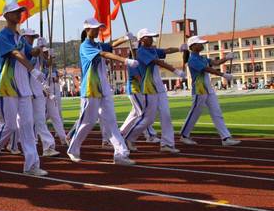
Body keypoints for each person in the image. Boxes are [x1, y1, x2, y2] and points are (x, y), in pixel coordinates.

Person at [0, 2, 47, 176]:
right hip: (7, 86)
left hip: (23, 87)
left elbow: (28, 52)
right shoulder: (1, 35)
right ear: (6, 16)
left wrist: (38, 48)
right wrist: (32, 70)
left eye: (20, 12)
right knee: (9, 126)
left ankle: (32, 165)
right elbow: (15, 54)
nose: (19, 15)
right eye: (15, 12)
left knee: (27, 125)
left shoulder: (20, 37)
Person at [66, 18, 136, 166]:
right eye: (95, 28)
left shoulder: (98, 44)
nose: (98, 30)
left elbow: (110, 46)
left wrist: (124, 38)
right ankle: (73, 149)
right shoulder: (85, 46)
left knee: (111, 121)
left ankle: (121, 154)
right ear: (87, 30)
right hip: (90, 88)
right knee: (88, 122)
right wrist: (125, 61)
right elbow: (104, 54)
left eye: (99, 28)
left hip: (103, 88)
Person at [122, 28, 187, 153]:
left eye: (152, 37)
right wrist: (176, 71)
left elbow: (166, 51)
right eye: (149, 37)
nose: (152, 39)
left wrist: (179, 48)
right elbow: (157, 62)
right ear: (141, 40)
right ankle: (129, 137)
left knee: (166, 115)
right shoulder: (140, 52)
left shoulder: (153, 50)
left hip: (160, 88)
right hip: (149, 88)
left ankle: (167, 144)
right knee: (148, 118)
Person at [179, 35, 241, 146]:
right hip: (199, 90)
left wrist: (226, 57)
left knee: (217, 113)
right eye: (200, 43)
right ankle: (184, 135)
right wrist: (223, 75)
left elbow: (215, 63)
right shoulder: (192, 59)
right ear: (192, 46)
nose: (202, 45)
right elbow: (207, 69)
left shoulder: (202, 58)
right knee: (195, 113)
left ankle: (225, 138)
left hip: (208, 89)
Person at [20, 29, 59, 157]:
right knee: (24, 121)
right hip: (25, 90)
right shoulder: (24, 53)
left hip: (37, 90)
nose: (31, 39)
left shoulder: (37, 53)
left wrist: (50, 57)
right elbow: (32, 57)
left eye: (33, 37)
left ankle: (47, 146)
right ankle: (15, 142)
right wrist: (40, 49)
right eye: (29, 37)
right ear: (24, 37)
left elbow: (47, 64)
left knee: (40, 119)